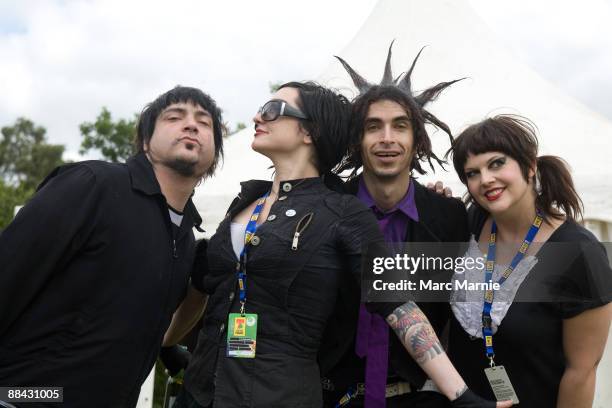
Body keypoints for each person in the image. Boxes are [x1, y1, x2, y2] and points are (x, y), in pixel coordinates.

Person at [165, 80, 510, 408]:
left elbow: (404, 304)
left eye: (273, 108)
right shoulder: (253, 199)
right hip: (235, 390)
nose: (258, 117)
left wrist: (461, 394)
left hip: (350, 394)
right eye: (373, 127)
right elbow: (207, 279)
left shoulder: (368, 212)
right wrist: (165, 344)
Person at [0, 86, 224, 407]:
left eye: (204, 123)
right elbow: (9, 272)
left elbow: (156, 333)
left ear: (214, 151)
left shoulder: (186, 237)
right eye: (174, 117)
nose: (191, 125)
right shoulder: (93, 184)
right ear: (146, 142)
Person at [320, 43, 501, 408]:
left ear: (417, 140)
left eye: (399, 126)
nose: (387, 138)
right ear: (357, 139)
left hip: (418, 397)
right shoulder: (325, 206)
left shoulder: (448, 217)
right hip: (327, 396)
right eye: (374, 127)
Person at [447, 115, 612, 407]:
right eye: (472, 173)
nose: (485, 179)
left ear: (530, 166)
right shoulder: (468, 224)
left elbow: (581, 373)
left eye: (497, 163)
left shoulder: (577, 252)